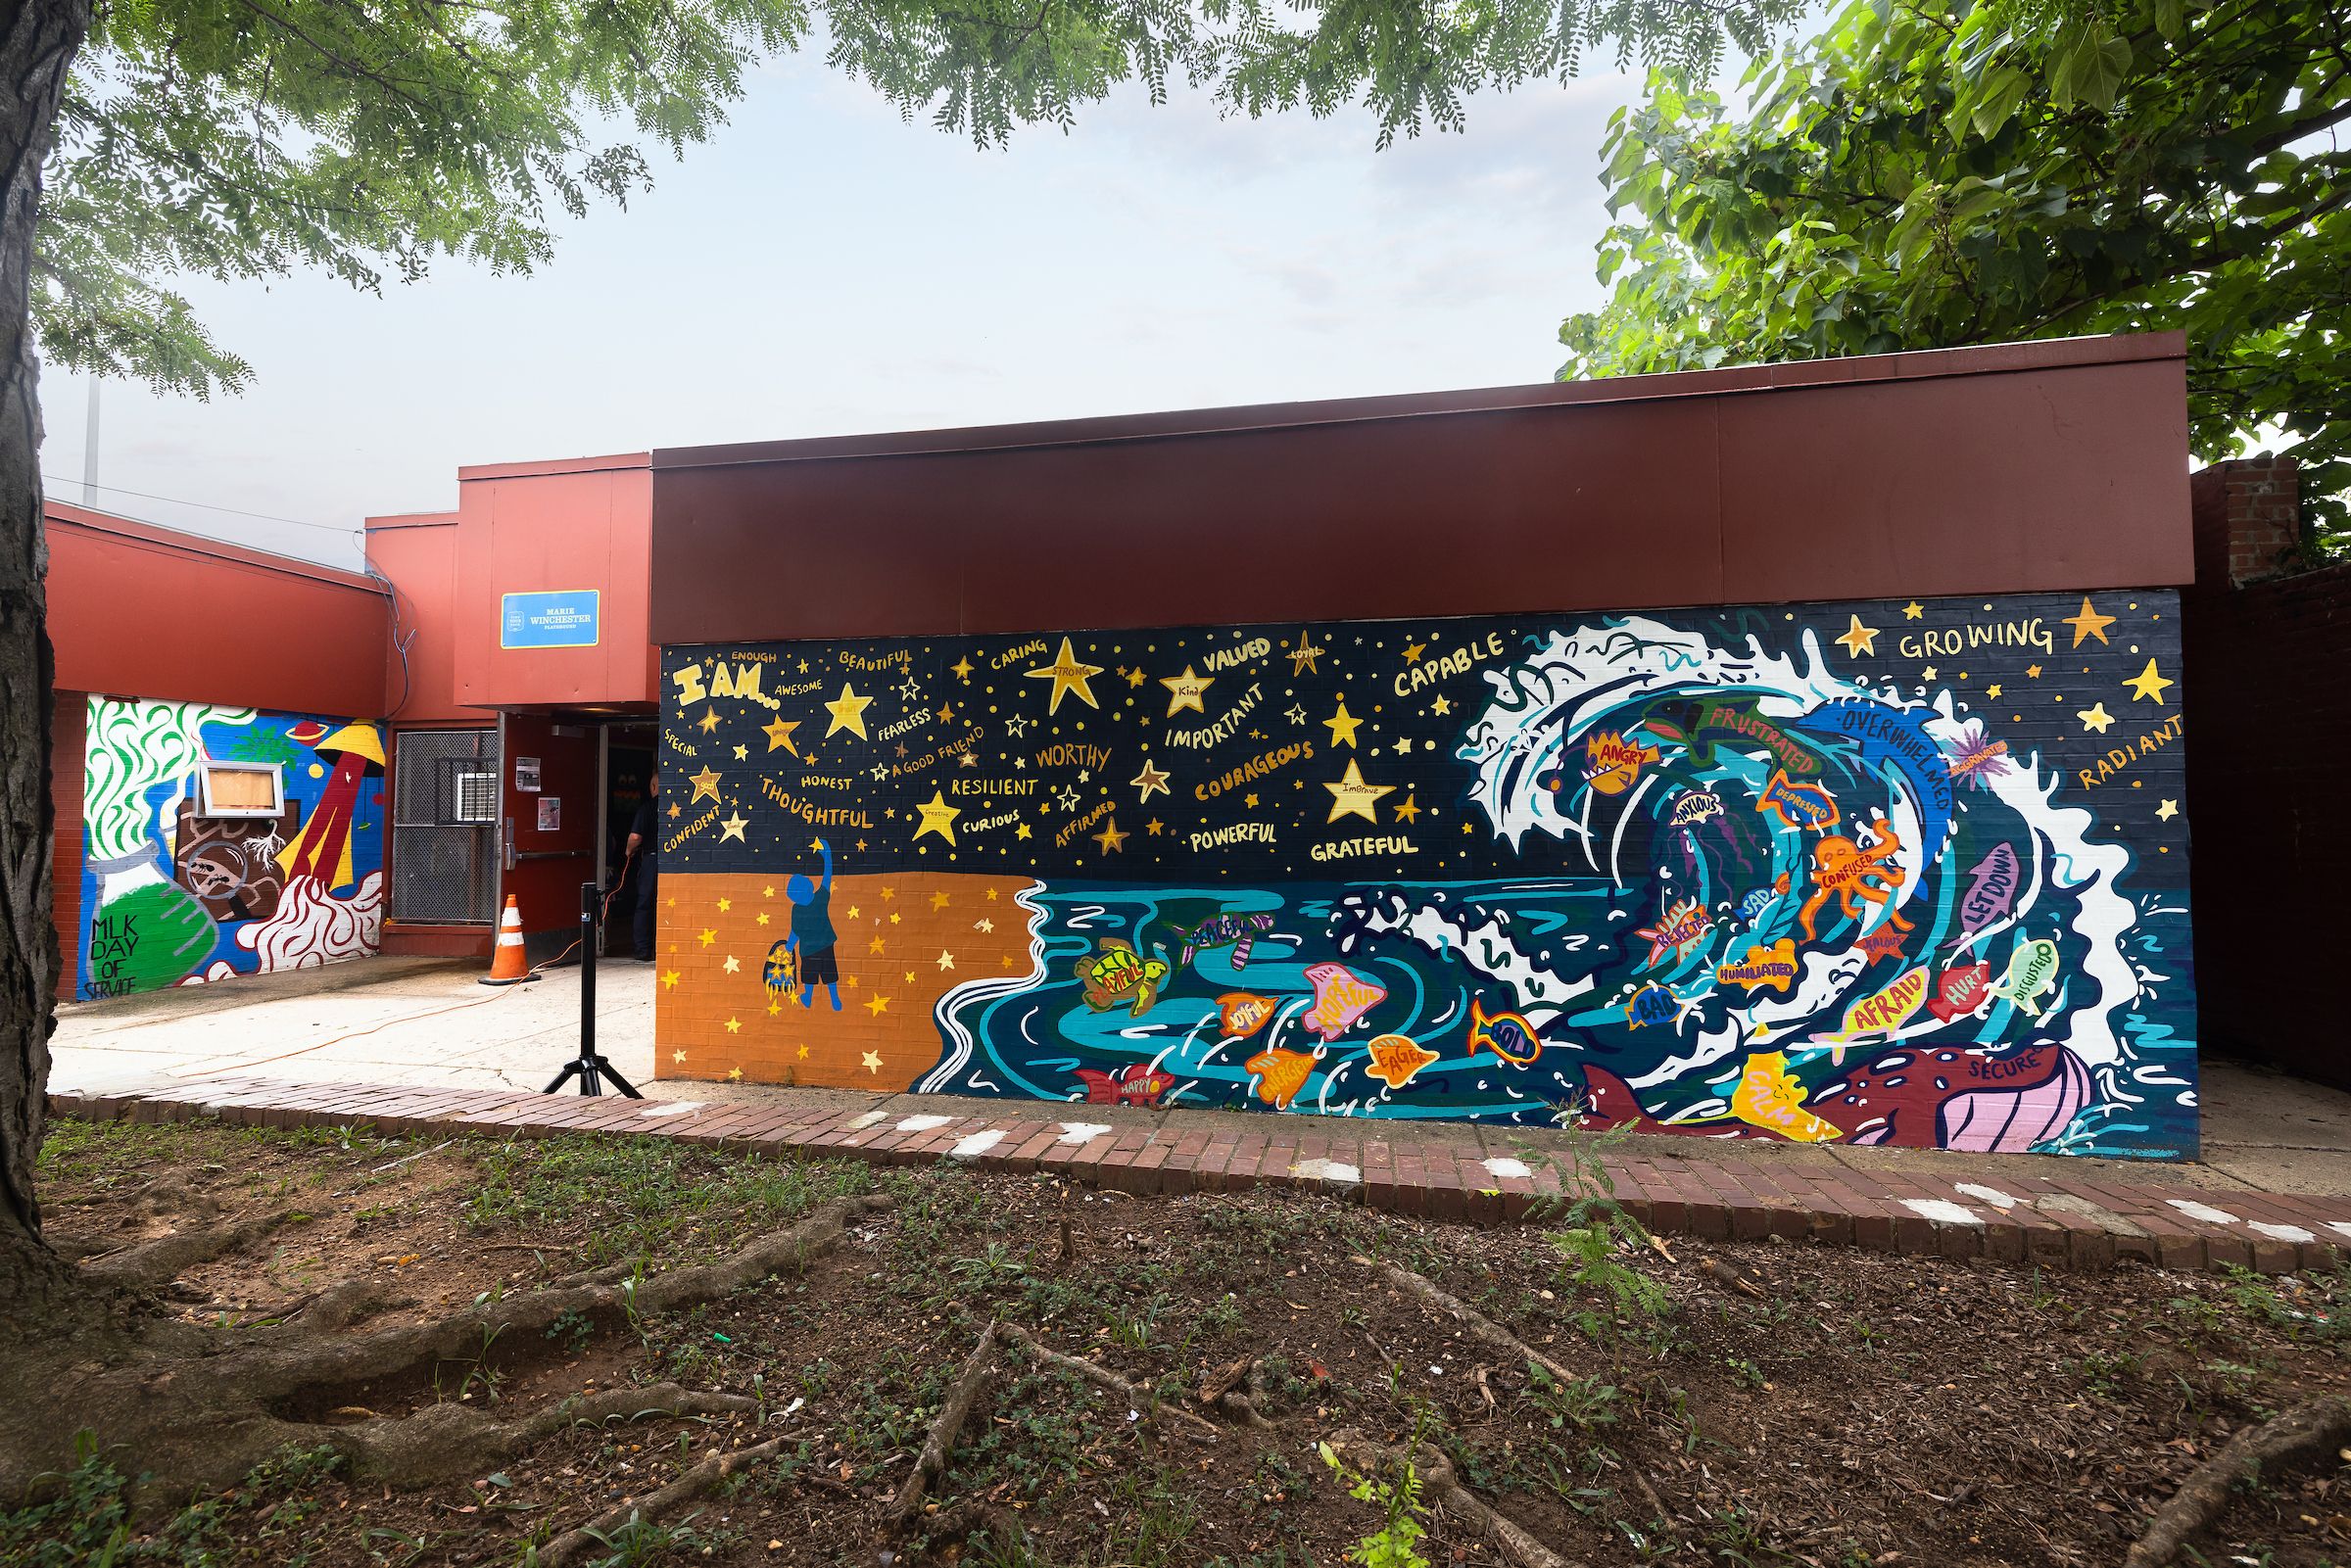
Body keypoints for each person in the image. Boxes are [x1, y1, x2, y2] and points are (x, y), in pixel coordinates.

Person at [786, 836, 840, 1010]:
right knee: (830, 973)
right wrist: (827, 856)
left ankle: (808, 998)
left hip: (808, 950)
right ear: (809, 886)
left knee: (809, 975)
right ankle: (835, 999)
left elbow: (795, 931)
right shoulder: (820, 898)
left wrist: (789, 946)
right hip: (826, 945)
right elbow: (827, 876)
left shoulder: (797, 909)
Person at [626, 770, 659, 961]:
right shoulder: (677, 807)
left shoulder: (647, 808)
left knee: (645, 904)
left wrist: (628, 851)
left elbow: (635, 837)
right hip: (672, 862)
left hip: (651, 860)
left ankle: (643, 950)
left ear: (653, 787)